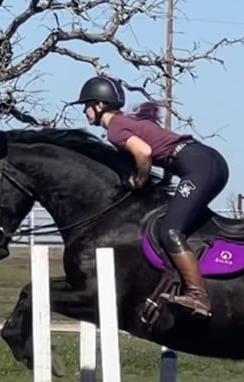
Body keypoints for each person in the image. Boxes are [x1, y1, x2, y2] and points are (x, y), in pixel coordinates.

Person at [69, 75, 230, 319]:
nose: (85, 111)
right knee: (181, 220)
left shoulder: (115, 129)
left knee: (170, 230)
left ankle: (199, 296)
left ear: (100, 105)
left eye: (87, 105)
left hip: (200, 167)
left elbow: (144, 153)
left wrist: (142, 180)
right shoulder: (128, 122)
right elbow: (161, 149)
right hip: (207, 162)